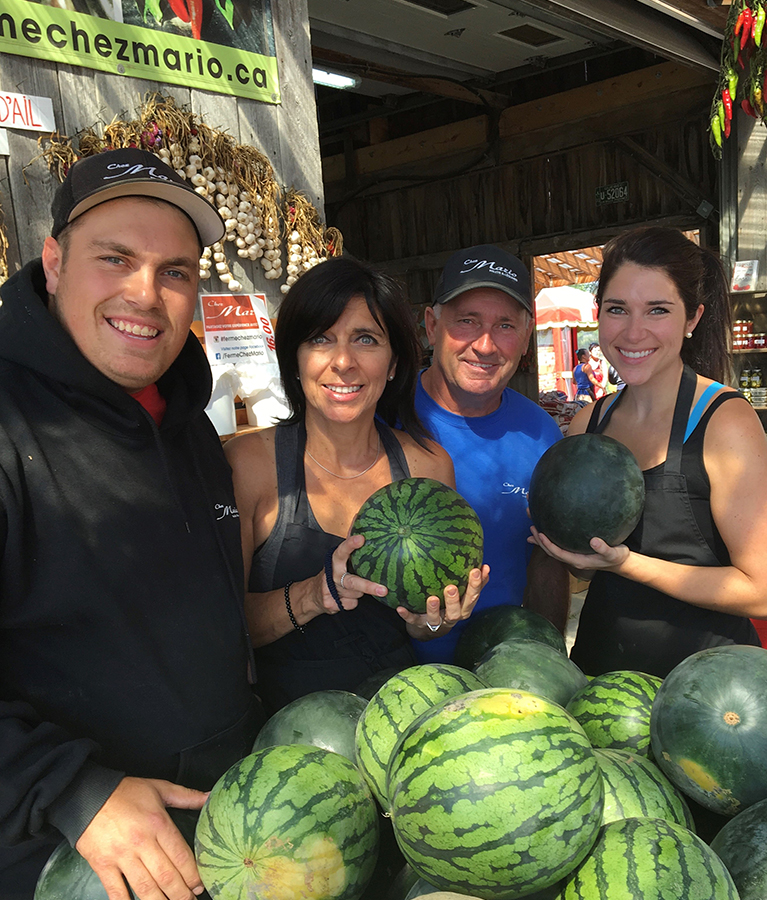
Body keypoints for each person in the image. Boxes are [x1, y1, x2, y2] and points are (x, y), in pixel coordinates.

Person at [0, 148, 261, 900]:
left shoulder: (190, 427)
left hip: (207, 845)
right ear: (52, 262)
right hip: (61, 862)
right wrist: (72, 789)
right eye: (115, 259)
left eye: (175, 271)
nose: (145, 294)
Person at [225, 257, 489, 715]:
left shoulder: (428, 466)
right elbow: (222, 628)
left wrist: (436, 622)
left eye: (366, 339)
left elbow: (424, 628)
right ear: (295, 358)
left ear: (393, 363)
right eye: (320, 339)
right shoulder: (250, 465)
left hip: (399, 725)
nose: (343, 362)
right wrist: (314, 594)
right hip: (289, 735)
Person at [530, 226, 766, 678]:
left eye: (658, 310)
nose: (634, 332)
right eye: (618, 309)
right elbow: (583, 574)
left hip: (709, 696)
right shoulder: (588, 423)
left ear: (693, 318)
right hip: (603, 683)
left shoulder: (724, 421)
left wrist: (628, 564)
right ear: (600, 314)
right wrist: (562, 554)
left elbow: (760, 589)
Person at [413, 244, 571, 664]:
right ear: (431, 326)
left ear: (524, 339)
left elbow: (547, 558)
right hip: (393, 674)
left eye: (505, 325)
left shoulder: (541, 433)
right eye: (466, 321)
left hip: (504, 671)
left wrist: (551, 659)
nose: (485, 345)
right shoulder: (381, 417)